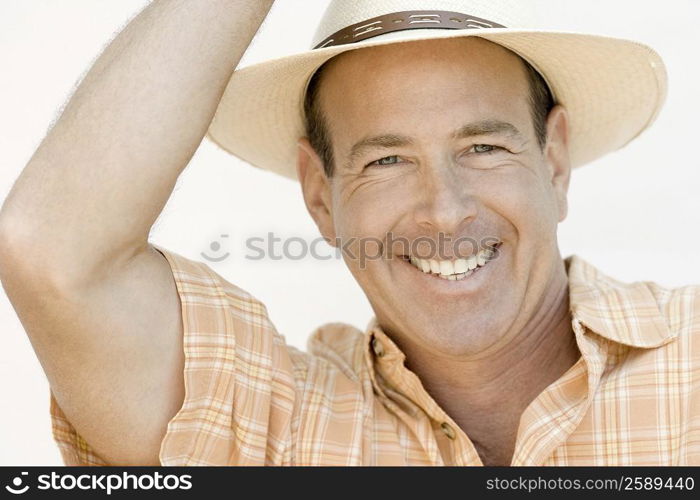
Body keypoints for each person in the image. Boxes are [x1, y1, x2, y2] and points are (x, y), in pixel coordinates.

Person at [0, 0, 697, 466]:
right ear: (319, 196)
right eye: (386, 159)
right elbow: (53, 251)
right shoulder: (276, 429)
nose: (445, 212)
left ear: (553, 160)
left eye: (483, 148)